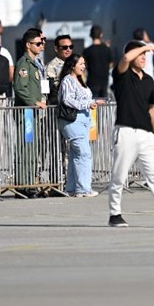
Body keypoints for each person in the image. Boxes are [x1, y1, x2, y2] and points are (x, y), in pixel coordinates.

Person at [107, 41, 154, 227]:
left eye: (145, 55)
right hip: (125, 131)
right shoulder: (121, 75)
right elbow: (125, 58)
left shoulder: (149, 80)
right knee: (119, 176)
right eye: (140, 54)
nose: (143, 57)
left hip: (145, 134)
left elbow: (152, 109)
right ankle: (114, 213)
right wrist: (147, 46)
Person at [58, 53, 99, 198]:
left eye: (84, 63)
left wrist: (92, 102)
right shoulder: (67, 81)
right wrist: (87, 103)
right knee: (84, 153)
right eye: (81, 63)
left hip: (83, 121)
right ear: (72, 65)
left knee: (76, 154)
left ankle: (71, 188)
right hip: (72, 121)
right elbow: (67, 100)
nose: (83, 66)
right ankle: (83, 189)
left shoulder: (80, 80)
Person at [13, 28, 48, 190]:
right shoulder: (24, 64)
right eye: (38, 43)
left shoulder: (36, 64)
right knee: (26, 149)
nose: (42, 46)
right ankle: (23, 184)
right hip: (27, 112)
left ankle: (29, 181)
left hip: (33, 113)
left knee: (33, 149)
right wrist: (35, 102)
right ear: (28, 45)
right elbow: (20, 88)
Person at [82, 25, 114, 99]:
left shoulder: (87, 51)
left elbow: (83, 65)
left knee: (93, 106)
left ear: (90, 35)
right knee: (104, 106)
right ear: (101, 35)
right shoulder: (107, 49)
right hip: (104, 81)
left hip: (92, 81)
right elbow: (111, 64)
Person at [44, 34, 73, 104]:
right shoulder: (51, 66)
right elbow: (49, 90)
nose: (68, 50)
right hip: (58, 106)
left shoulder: (74, 63)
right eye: (65, 47)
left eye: (71, 47)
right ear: (56, 49)